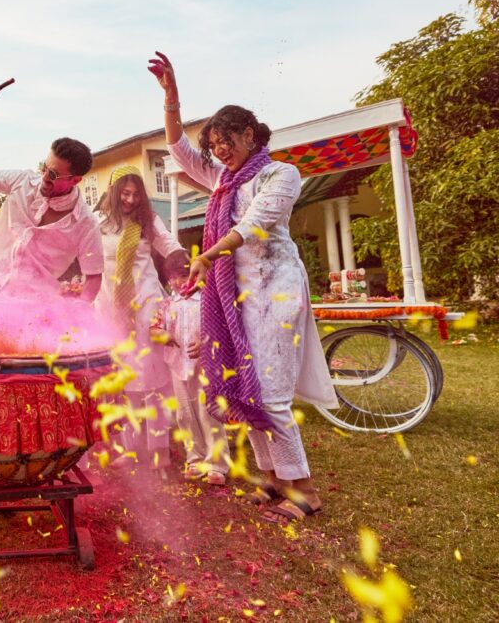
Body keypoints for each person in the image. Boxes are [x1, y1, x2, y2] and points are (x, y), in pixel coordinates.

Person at [149, 51, 337, 522]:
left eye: (225, 141)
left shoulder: (280, 174)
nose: (218, 151)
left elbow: (253, 225)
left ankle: (305, 490)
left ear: (250, 134)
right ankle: (273, 480)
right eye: (213, 145)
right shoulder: (223, 179)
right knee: (243, 390)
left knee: (270, 393)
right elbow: (178, 150)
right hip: (235, 300)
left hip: (276, 293)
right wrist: (172, 97)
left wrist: (207, 256)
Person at [0, 137, 104, 321]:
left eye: (53, 175)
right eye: (44, 167)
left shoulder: (86, 222)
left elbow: (93, 276)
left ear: (75, 180)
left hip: (41, 309)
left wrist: (81, 307)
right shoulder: (21, 181)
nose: (44, 177)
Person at [94, 166, 186, 472]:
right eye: (125, 193)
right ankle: (131, 448)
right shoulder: (97, 223)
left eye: (136, 194)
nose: (131, 200)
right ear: (113, 191)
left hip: (146, 308)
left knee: (153, 380)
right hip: (110, 310)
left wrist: (191, 264)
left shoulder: (148, 221)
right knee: (126, 383)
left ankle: (160, 450)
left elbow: (170, 247)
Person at [162, 270, 229, 485]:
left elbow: (221, 330)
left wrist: (205, 342)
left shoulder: (207, 301)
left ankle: (217, 464)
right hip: (177, 364)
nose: (178, 281)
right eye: (173, 277)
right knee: (184, 414)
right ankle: (195, 459)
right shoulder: (166, 304)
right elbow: (155, 328)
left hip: (204, 366)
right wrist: (162, 335)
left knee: (208, 413)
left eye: (183, 275)